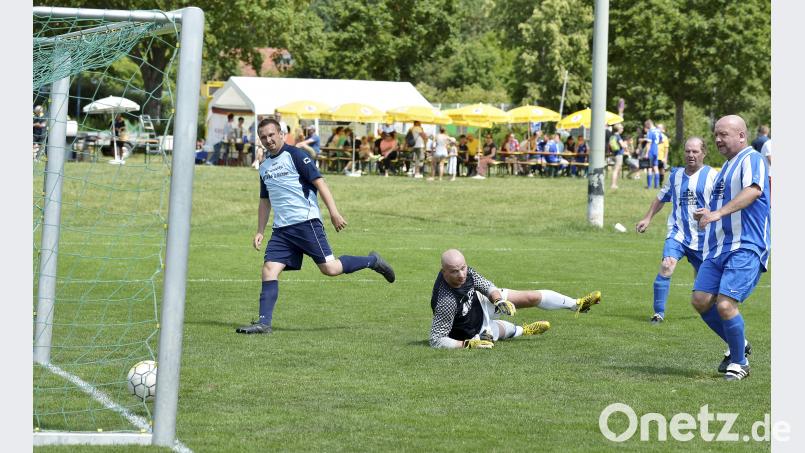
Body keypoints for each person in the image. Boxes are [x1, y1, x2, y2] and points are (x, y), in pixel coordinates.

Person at [236, 119, 396, 335]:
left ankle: (372, 261)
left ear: (281, 134)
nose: (268, 140)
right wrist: (260, 230)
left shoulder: (296, 155)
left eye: (271, 134)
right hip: (282, 230)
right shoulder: (264, 166)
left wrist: (334, 213)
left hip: (306, 223)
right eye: (263, 137)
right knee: (269, 269)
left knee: (330, 269)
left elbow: (320, 183)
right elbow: (265, 201)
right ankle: (264, 323)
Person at [691, 114, 770, 381]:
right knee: (701, 301)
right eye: (716, 134)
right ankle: (740, 343)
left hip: (746, 244)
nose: (717, 139)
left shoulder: (752, 158)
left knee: (725, 305)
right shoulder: (725, 168)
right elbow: (723, 207)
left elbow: (754, 191)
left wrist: (718, 213)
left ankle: (739, 363)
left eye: (723, 134)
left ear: (741, 136)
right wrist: (707, 213)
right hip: (719, 248)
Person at [429, 249, 602, 349]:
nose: (461, 275)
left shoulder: (465, 271)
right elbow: (436, 339)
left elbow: (485, 285)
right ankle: (524, 330)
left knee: (531, 297)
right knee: (499, 333)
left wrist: (498, 300)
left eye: (463, 268)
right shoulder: (446, 301)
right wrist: (467, 345)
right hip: (471, 330)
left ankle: (577, 304)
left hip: (481, 303)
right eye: (455, 271)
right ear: (444, 272)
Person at [635, 137, 718, 324]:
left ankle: (709, 310)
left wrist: (710, 214)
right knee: (667, 265)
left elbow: (723, 204)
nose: (691, 155)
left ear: (704, 153)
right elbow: (660, 198)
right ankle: (658, 314)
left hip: (705, 238)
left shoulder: (713, 176)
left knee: (704, 285)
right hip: (678, 233)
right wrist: (647, 218)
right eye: (687, 151)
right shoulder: (675, 176)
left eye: (695, 151)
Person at [640, 120, 663, 189]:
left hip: (651, 151)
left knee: (649, 168)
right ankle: (656, 186)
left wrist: (646, 153)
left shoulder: (650, 132)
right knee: (656, 167)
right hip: (656, 150)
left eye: (646, 126)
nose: (646, 128)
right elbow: (661, 140)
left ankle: (649, 186)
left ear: (648, 125)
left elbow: (649, 143)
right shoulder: (658, 131)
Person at [609, 124, 626, 189]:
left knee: (617, 169)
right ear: (618, 129)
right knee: (616, 169)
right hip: (619, 154)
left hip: (615, 154)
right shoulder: (618, 136)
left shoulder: (613, 136)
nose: (622, 130)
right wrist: (625, 144)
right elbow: (623, 145)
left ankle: (615, 184)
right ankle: (613, 184)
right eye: (621, 128)